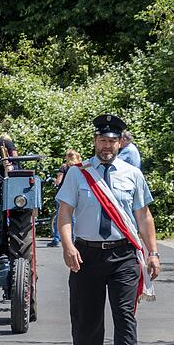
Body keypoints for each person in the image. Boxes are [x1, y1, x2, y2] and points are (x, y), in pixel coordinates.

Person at [56, 114, 160, 345]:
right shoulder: (77, 173)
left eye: (112, 141)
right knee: (86, 323)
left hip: (123, 256)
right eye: (102, 140)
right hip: (86, 256)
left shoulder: (132, 174)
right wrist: (68, 246)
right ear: (95, 141)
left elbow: (143, 217)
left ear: (120, 142)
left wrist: (153, 253)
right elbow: (64, 213)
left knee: (125, 318)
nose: (107, 146)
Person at [47, 149, 82, 248]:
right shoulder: (79, 167)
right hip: (76, 193)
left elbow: (59, 181)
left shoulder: (64, 167)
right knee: (74, 218)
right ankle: (74, 238)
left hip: (64, 194)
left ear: (67, 157)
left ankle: (56, 239)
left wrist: (54, 181)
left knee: (60, 216)